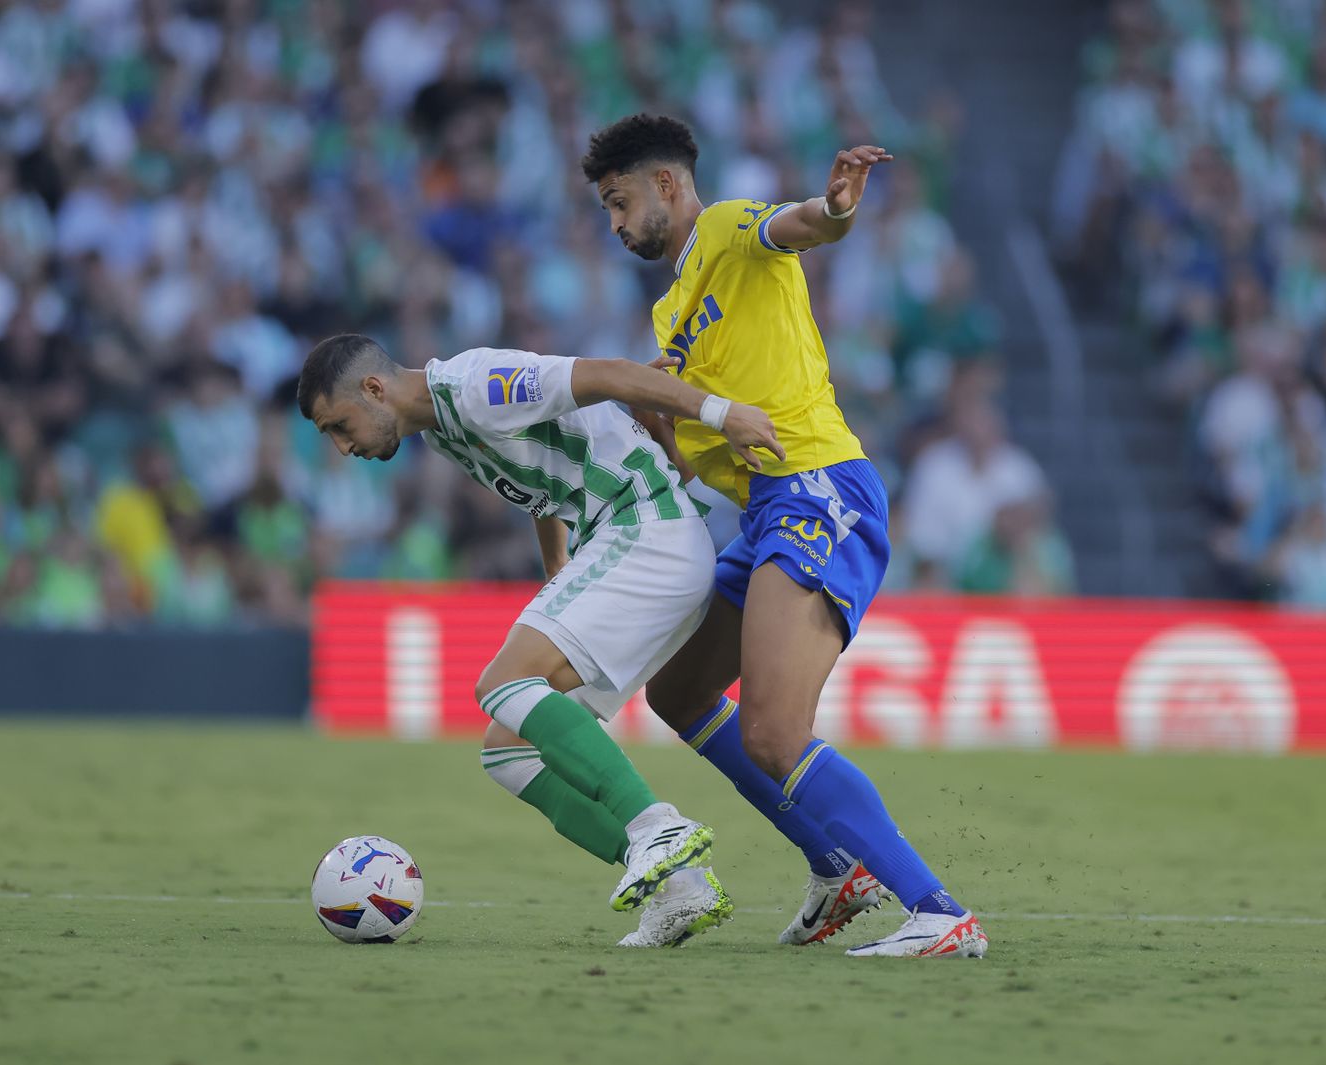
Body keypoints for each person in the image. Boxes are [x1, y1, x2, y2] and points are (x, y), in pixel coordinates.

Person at [582, 114, 987, 958]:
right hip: (765, 508)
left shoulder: (728, 229)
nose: (615, 225)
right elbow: (701, 463)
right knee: (679, 694)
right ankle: (837, 866)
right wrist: (660, 422)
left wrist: (836, 208)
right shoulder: (669, 317)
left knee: (773, 730)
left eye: (619, 203)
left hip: (818, 489)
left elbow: (801, 224)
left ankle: (940, 912)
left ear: (665, 185)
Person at [296, 333, 785, 948]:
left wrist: (721, 414)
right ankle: (679, 886)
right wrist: (558, 571)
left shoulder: (475, 385)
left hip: (646, 527)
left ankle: (657, 826)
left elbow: (606, 373)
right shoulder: (443, 426)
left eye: (339, 426)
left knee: (500, 685)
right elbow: (541, 490)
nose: (343, 447)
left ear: (373, 389)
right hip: (629, 543)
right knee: (507, 750)